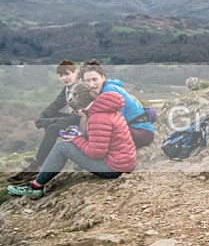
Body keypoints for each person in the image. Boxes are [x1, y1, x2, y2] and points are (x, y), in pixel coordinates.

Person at [7, 82, 136, 199]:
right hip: (122, 162)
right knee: (68, 145)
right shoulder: (105, 108)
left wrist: (76, 139)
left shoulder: (98, 118)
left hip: (113, 168)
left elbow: (96, 153)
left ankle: (35, 187)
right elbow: (103, 138)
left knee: (61, 147)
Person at [8, 60, 82, 184]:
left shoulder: (80, 88)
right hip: (75, 119)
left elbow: (78, 117)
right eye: (61, 75)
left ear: (76, 73)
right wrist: (42, 118)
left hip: (85, 123)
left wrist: (50, 120)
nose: (64, 78)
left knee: (53, 127)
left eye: (67, 74)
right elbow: (55, 105)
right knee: (49, 121)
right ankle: (42, 159)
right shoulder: (67, 89)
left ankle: (36, 165)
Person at [80, 60, 155, 148]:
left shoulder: (109, 90)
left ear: (103, 78)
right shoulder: (103, 90)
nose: (91, 84)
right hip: (135, 130)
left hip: (141, 133)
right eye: (87, 81)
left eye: (94, 79)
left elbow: (115, 121)